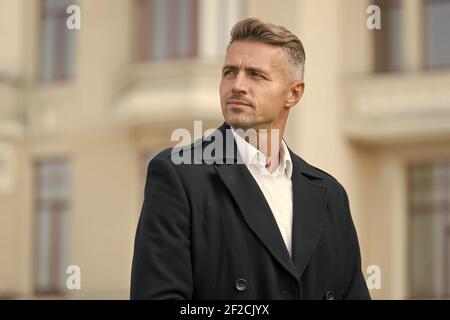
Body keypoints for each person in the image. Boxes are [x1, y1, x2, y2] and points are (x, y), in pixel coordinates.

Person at [130, 18, 370, 300]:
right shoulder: (179, 174)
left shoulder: (330, 194)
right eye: (230, 72)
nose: (237, 85)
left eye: (256, 75)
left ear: (293, 93)